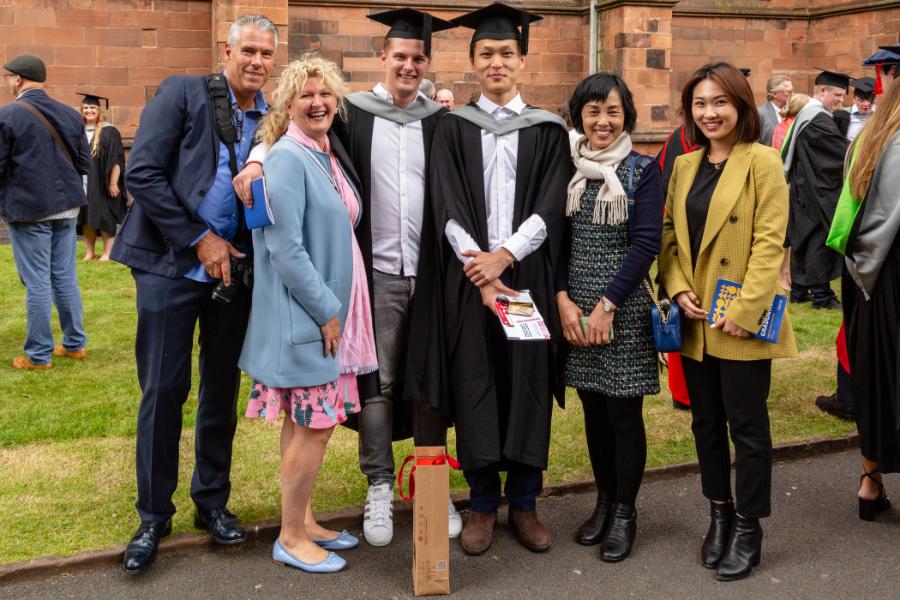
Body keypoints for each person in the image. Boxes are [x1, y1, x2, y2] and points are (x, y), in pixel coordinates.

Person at [236, 7, 463, 548]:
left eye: (416, 58)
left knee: (430, 381)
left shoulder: (445, 120)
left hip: (429, 271)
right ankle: (380, 486)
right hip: (375, 275)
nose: (407, 66)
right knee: (377, 385)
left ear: (426, 64)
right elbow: (291, 129)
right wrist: (256, 160)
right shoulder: (352, 114)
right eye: (398, 56)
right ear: (382, 58)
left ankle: (433, 488)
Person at [111, 14, 278, 574]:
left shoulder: (269, 120)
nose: (256, 61)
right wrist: (200, 239)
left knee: (220, 389)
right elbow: (145, 176)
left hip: (234, 273)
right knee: (163, 390)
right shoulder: (183, 93)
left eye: (266, 54)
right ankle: (153, 515)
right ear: (224, 49)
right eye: (248, 50)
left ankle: (212, 501)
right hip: (168, 265)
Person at [423, 2, 572, 556]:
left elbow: (551, 204)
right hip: (471, 284)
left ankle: (526, 502)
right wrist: (480, 266)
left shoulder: (550, 129)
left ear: (522, 61)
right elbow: (446, 202)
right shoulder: (452, 127)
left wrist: (504, 256)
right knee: (476, 382)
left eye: (506, 53)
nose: (497, 62)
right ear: (472, 61)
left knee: (528, 383)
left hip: (526, 278)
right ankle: (483, 504)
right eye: (486, 53)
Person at [659, 62, 797, 582]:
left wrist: (745, 310)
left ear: (740, 105)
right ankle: (718, 512)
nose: (709, 112)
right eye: (699, 103)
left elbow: (770, 241)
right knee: (705, 423)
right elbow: (669, 239)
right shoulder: (684, 166)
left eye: (719, 102)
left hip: (740, 319)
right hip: (696, 318)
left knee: (748, 427)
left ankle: (748, 526)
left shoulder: (762, 161)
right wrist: (677, 287)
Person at [240, 55, 374, 574]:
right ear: (288, 104)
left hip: (323, 314)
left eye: (326, 94)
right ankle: (291, 537)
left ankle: (305, 518)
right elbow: (284, 247)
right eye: (306, 95)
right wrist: (327, 311)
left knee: (304, 423)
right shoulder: (287, 159)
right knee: (314, 427)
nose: (317, 102)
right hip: (308, 317)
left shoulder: (322, 151)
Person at [555, 73, 663, 562]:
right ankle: (602, 500)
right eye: (593, 111)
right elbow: (559, 242)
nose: (602, 121)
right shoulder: (570, 170)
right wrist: (563, 299)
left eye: (613, 112)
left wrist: (606, 306)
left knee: (622, 413)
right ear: (579, 115)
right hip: (576, 310)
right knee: (593, 411)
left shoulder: (643, 170)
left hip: (621, 310)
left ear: (626, 117)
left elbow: (646, 245)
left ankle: (625, 511)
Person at [0, 54, 90, 370]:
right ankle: (75, 344)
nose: (7, 82)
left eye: (8, 77)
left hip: (30, 209)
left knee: (37, 280)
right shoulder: (69, 113)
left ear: (19, 79)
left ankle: (38, 355)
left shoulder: (8, 115)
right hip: (67, 206)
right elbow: (83, 163)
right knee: (64, 276)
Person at [838, 76, 900, 523]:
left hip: (866, 273)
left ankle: (869, 481)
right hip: (893, 267)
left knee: (875, 373)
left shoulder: (870, 136)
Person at [781, 69, 850, 309]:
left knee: (804, 239)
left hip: (803, 190)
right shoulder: (817, 119)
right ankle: (822, 296)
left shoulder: (808, 114)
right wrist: (864, 150)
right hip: (815, 192)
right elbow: (840, 152)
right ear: (822, 90)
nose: (841, 100)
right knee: (818, 241)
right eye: (838, 95)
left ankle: (799, 291)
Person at [77, 93, 126, 262]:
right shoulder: (78, 130)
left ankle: (108, 252)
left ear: (99, 110)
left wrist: (113, 183)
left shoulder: (109, 131)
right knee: (85, 216)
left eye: (92, 108)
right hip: (82, 182)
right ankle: (89, 252)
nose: (89, 110)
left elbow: (117, 160)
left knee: (104, 216)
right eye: (86, 108)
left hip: (101, 182)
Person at [833, 77, 876, 142]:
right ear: (854, 100)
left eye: (870, 100)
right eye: (861, 100)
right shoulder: (841, 116)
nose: (866, 104)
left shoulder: (880, 114)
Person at [757, 74, 793, 146]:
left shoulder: (793, 112)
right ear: (774, 93)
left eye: (792, 91)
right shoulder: (760, 113)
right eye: (789, 91)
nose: (792, 94)